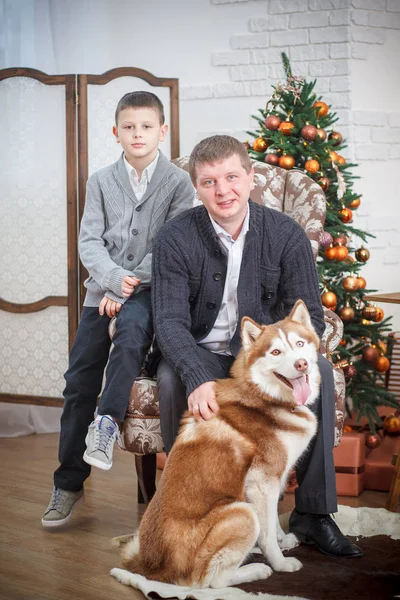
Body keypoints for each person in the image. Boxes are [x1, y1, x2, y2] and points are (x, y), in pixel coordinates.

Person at [151, 134, 362, 559]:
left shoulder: (286, 235)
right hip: (203, 352)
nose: (222, 190)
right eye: (209, 182)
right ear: (196, 186)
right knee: (172, 379)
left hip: (265, 356)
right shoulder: (174, 237)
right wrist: (196, 374)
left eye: (231, 177)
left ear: (250, 178)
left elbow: (311, 318)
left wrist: (284, 360)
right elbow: (169, 321)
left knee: (317, 370)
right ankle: (194, 504)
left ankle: (314, 514)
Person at [41, 91, 194, 527]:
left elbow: (171, 244)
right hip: (101, 293)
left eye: (146, 126)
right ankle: (68, 484)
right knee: (78, 381)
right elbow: (89, 239)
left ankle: (106, 426)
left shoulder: (179, 184)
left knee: (129, 336)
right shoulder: (101, 180)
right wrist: (111, 281)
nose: (138, 134)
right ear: (116, 133)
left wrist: (127, 287)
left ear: (162, 131)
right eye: (129, 127)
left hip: (148, 292)